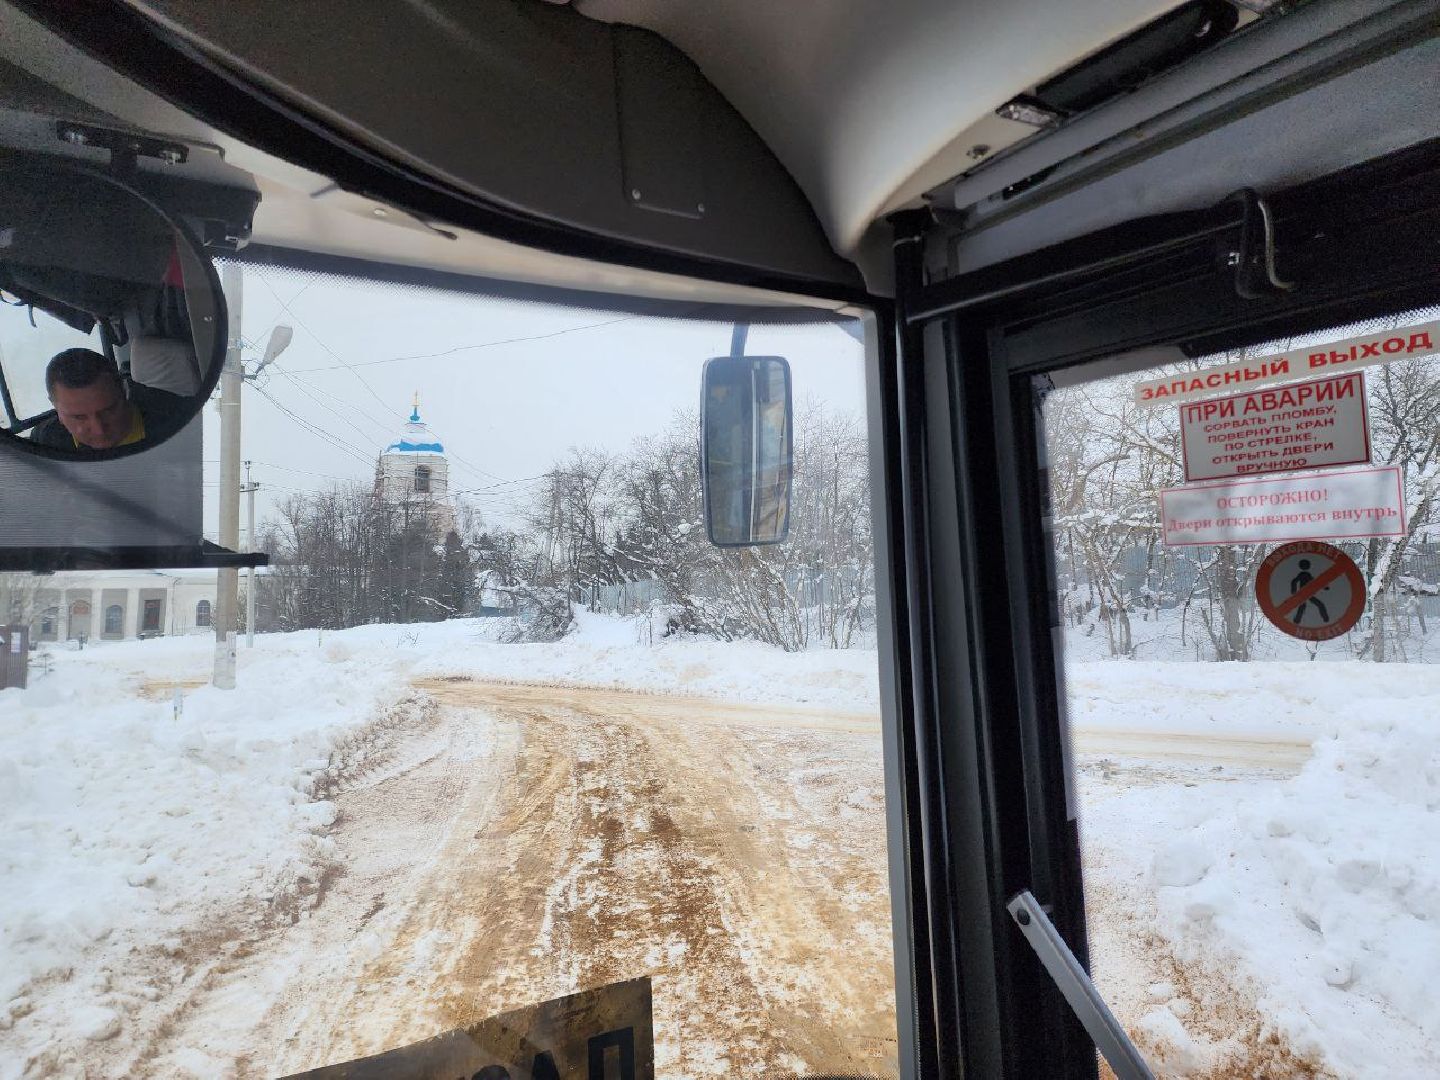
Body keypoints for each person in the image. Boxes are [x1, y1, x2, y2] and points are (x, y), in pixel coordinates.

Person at [29, 348, 186, 451]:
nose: (99, 430)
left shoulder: (180, 421)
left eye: (109, 410)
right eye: (79, 417)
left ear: (125, 391)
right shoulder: (45, 442)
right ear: (56, 410)